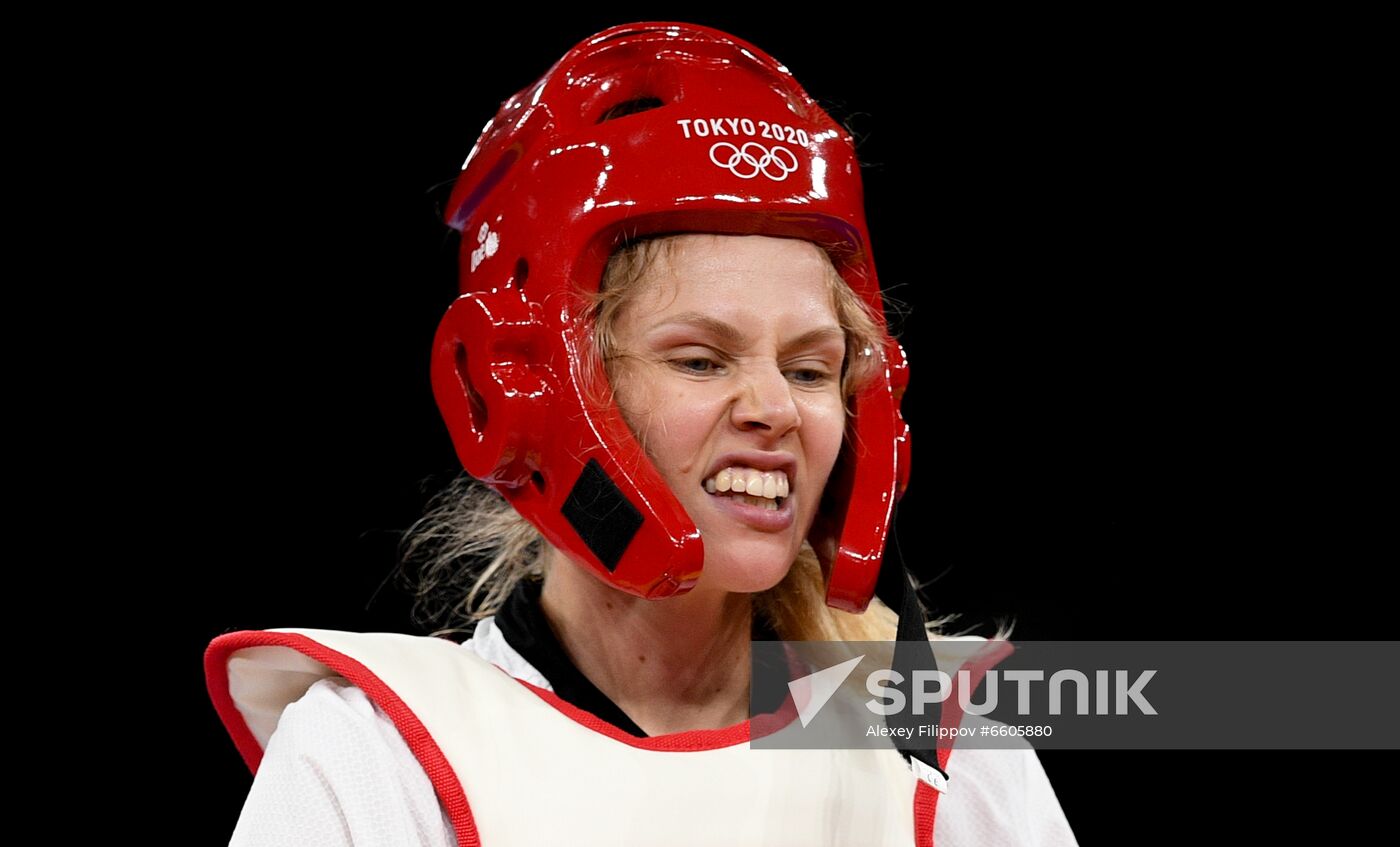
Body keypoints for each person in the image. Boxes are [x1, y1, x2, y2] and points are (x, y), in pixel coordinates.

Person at [205, 22, 1078, 846]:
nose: (774, 407)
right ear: (528, 395)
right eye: (701, 360)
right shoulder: (379, 754)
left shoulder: (947, 749)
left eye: (811, 369)